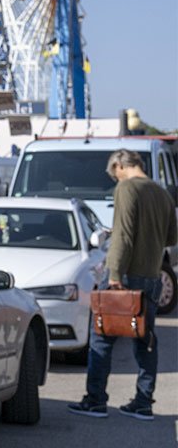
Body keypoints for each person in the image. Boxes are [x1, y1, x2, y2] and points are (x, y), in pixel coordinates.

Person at [69, 148, 176, 421]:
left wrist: (114, 274)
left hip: (124, 274)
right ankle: (143, 402)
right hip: (151, 276)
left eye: (114, 175)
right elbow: (172, 238)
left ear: (119, 165)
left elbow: (124, 236)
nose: (116, 180)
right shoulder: (162, 193)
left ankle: (95, 400)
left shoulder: (128, 189)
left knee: (101, 337)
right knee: (145, 339)